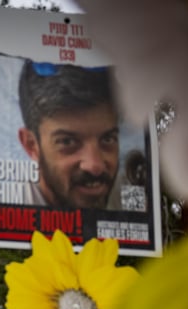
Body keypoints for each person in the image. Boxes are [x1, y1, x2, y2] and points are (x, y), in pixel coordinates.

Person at [16, 60, 121, 210]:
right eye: (67, 142)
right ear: (31, 145)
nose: (94, 166)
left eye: (107, 139)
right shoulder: (14, 214)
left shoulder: (131, 196)